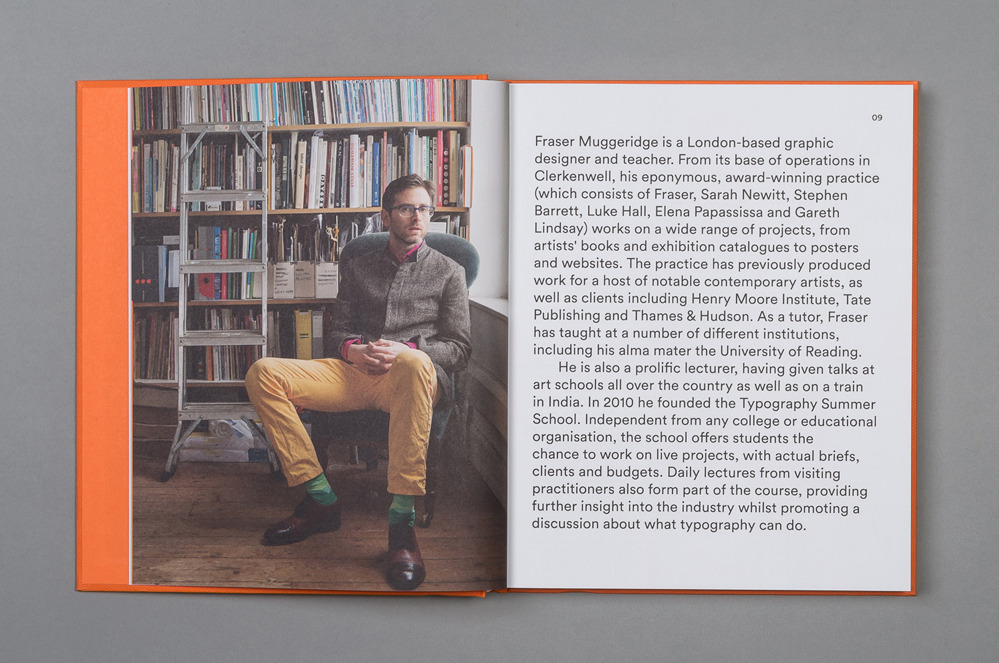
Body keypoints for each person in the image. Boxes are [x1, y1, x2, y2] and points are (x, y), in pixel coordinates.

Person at [244, 174, 471, 590]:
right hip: (356, 372)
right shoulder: (358, 266)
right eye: (405, 207)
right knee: (264, 373)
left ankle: (401, 525)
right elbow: (338, 331)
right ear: (386, 216)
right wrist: (352, 350)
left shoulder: (449, 272)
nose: (416, 216)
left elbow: (459, 349)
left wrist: (410, 349)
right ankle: (320, 499)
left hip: (413, 379)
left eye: (423, 208)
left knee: (417, 365)